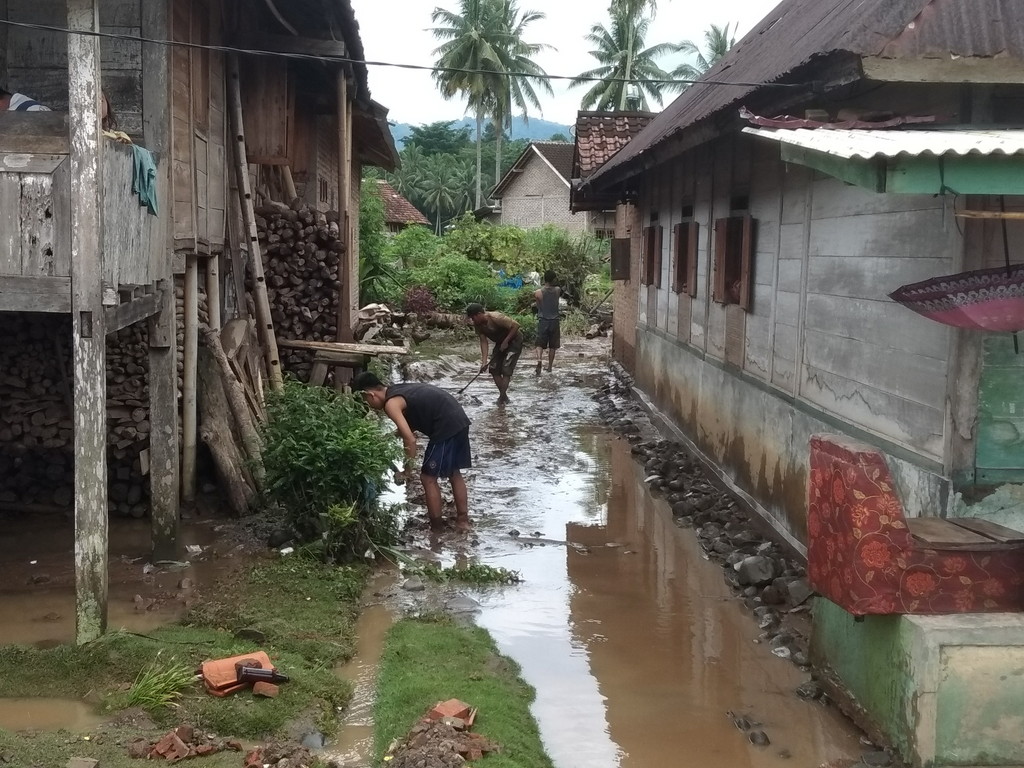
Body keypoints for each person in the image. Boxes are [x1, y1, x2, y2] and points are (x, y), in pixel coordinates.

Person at [352, 371, 473, 532]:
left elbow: (410, 439)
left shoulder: (391, 404)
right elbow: (411, 425)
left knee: (427, 477)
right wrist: (387, 438)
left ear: (370, 394)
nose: (369, 407)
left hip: (445, 426)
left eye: (365, 402)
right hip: (458, 419)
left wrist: (407, 471)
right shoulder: (398, 390)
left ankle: (436, 529)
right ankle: (462, 520)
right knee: (453, 472)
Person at [466, 302, 523, 405]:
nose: (473, 320)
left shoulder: (496, 317)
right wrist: (484, 362)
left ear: (479, 314)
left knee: (506, 369)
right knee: (493, 369)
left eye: (473, 318)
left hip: (514, 340)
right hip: (500, 343)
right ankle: (504, 397)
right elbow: (483, 342)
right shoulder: (478, 325)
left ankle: (501, 399)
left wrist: (506, 341)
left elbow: (516, 326)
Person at [534, 269, 562, 375]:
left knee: (539, 344)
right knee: (553, 346)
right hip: (554, 321)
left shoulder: (538, 293)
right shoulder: (557, 290)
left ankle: (539, 360)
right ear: (553, 279)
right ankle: (550, 367)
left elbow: (538, 306)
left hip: (543, 320)